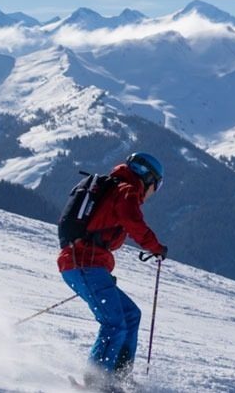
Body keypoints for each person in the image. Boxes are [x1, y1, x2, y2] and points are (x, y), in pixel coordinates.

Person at [59, 152, 169, 390]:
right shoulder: (126, 191)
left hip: (86, 264)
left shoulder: (115, 188)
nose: (153, 193)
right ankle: (96, 383)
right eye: (156, 186)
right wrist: (156, 247)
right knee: (114, 323)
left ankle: (119, 377)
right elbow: (134, 223)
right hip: (85, 264)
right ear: (148, 179)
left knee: (130, 315)